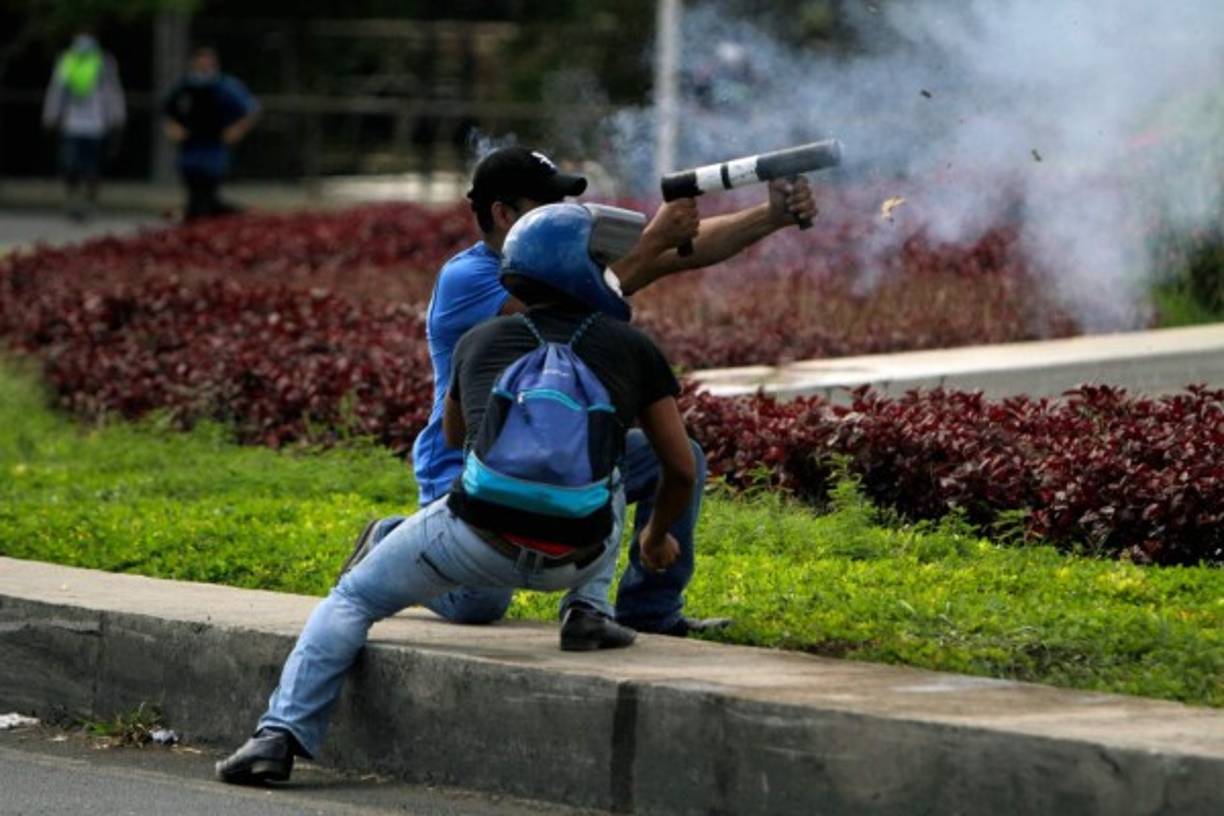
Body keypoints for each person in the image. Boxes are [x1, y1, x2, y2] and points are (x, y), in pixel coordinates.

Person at [216, 202, 694, 785]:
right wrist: (655, 534)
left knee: (352, 600)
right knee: (610, 466)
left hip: (474, 540)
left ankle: (277, 738)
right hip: (579, 555)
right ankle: (588, 610)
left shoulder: (480, 339)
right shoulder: (632, 348)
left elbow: (453, 436)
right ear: (584, 271)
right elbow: (680, 468)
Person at [339, 145, 818, 638]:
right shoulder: (468, 278)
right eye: (546, 203)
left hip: (559, 446)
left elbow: (678, 253)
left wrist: (770, 216)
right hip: (470, 462)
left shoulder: (566, 257)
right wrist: (656, 237)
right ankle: (388, 539)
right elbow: (574, 300)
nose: (562, 212)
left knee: (674, 461)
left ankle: (649, 610)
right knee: (478, 603)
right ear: (503, 214)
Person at [162, 46, 259, 221]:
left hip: (214, 148)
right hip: (190, 149)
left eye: (207, 64)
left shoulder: (225, 86)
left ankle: (193, 214)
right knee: (201, 196)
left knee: (205, 195)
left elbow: (251, 109)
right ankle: (238, 213)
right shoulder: (185, 86)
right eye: (200, 64)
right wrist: (172, 127)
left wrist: (237, 129)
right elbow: (167, 111)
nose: (203, 68)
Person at [41, 32, 125, 221]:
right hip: (72, 125)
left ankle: (89, 201)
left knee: (92, 168)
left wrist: (116, 117)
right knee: (70, 166)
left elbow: (112, 92)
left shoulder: (103, 63)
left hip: (96, 126)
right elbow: (57, 90)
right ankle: (73, 199)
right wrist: (51, 115)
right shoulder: (67, 62)